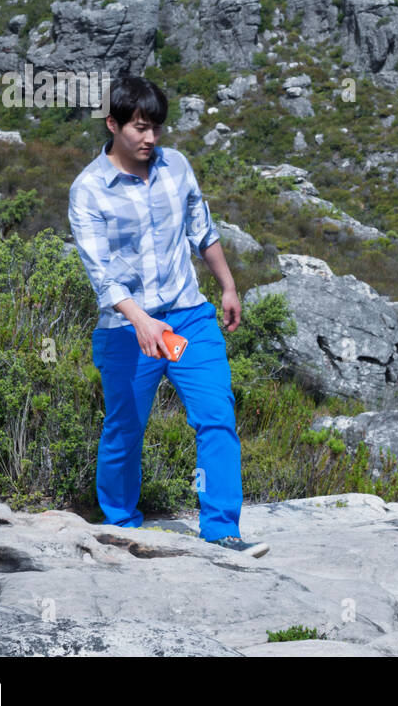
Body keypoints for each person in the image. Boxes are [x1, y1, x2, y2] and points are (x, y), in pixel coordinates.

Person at [67, 75, 267, 557]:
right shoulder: (89, 190)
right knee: (124, 428)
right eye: (139, 127)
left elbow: (203, 228)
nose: (150, 138)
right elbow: (103, 276)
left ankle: (222, 531)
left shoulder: (176, 167)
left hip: (189, 317)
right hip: (126, 329)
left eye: (156, 127)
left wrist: (228, 285)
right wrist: (141, 322)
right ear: (113, 124)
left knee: (216, 415)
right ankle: (123, 525)